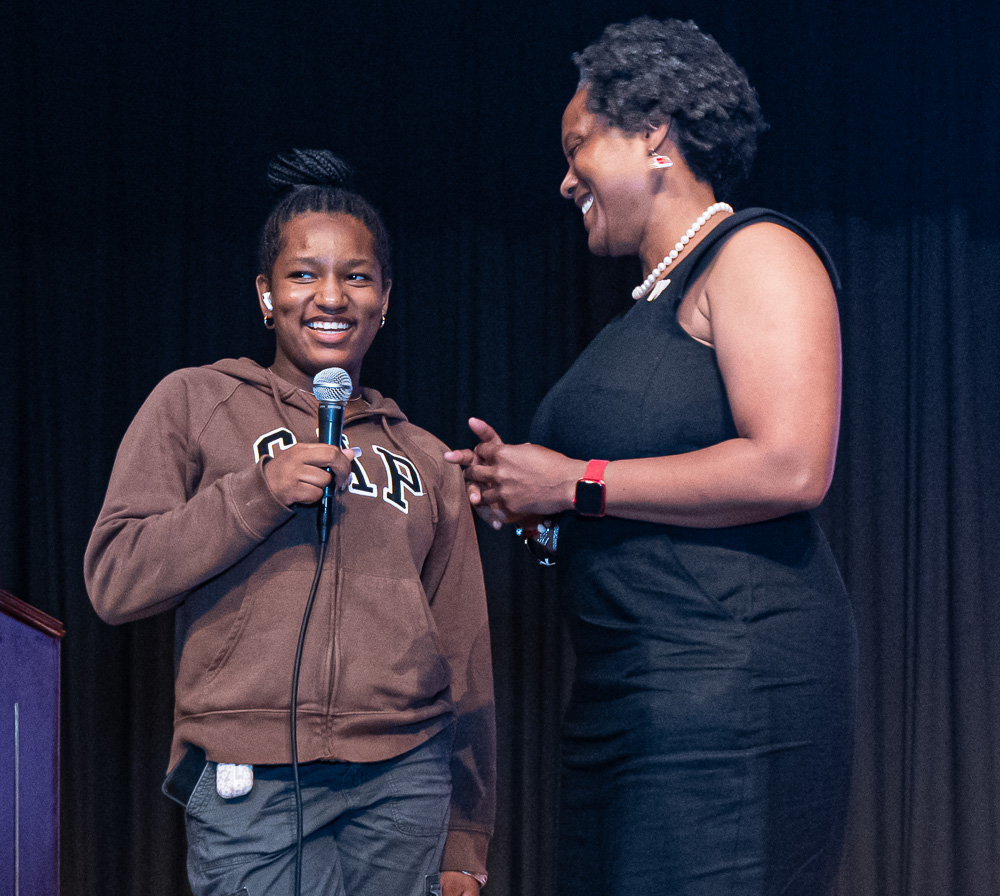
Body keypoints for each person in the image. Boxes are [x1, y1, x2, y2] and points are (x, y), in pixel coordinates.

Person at [445, 17, 856, 896]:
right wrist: (536, 515)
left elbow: (791, 466)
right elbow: (628, 514)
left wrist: (573, 482)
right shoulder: (645, 309)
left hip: (729, 698)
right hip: (627, 699)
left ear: (655, 135)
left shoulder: (755, 252)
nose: (564, 180)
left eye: (578, 146)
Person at [85, 149, 495, 896]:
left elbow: (465, 649)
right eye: (303, 274)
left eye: (356, 276)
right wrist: (256, 493)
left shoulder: (429, 456)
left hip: (405, 782)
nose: (330, 296)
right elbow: (115, 577)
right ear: (266, 295)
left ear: (386, 298)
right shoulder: (193, 401)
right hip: (251, 780)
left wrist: (466, 836)